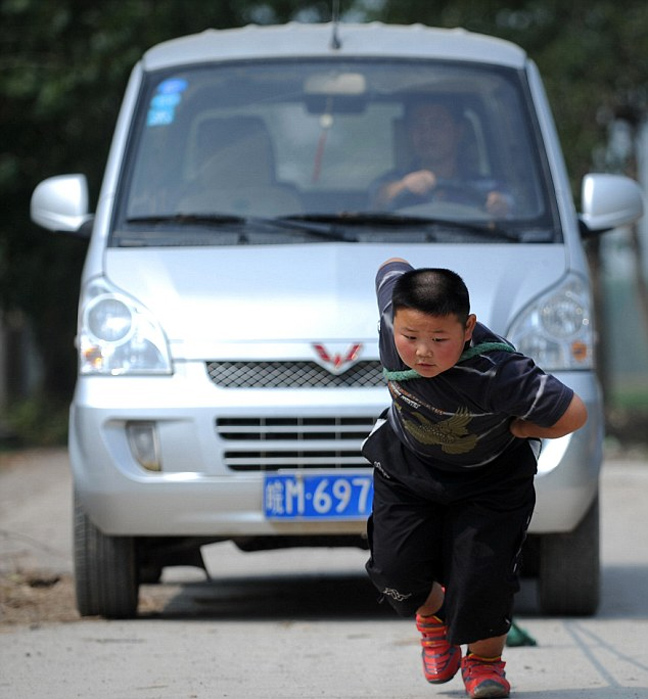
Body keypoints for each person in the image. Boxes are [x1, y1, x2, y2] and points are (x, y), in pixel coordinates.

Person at [362, 258, 588, 698]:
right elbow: (390, 268)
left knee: (484, 578)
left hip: (491, 480)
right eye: (410, 338)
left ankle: (484, 663)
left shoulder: (500, 373)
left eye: (439, 339)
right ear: (394, 321)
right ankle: (434, 617)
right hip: (408, 466)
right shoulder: (393, 310)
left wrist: (523, 428)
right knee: (395, 573)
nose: (423, 352)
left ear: (468, 328)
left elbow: (573, 413)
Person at [370, 99, 510, 216]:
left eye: (437, 123)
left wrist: (499, 207)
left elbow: (514, 219)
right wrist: (404, 186)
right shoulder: (391, 181)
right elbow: (376, 202)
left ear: (459, 131)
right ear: (408, 133)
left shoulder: (489, 187)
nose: (426, 133)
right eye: (417, 124)